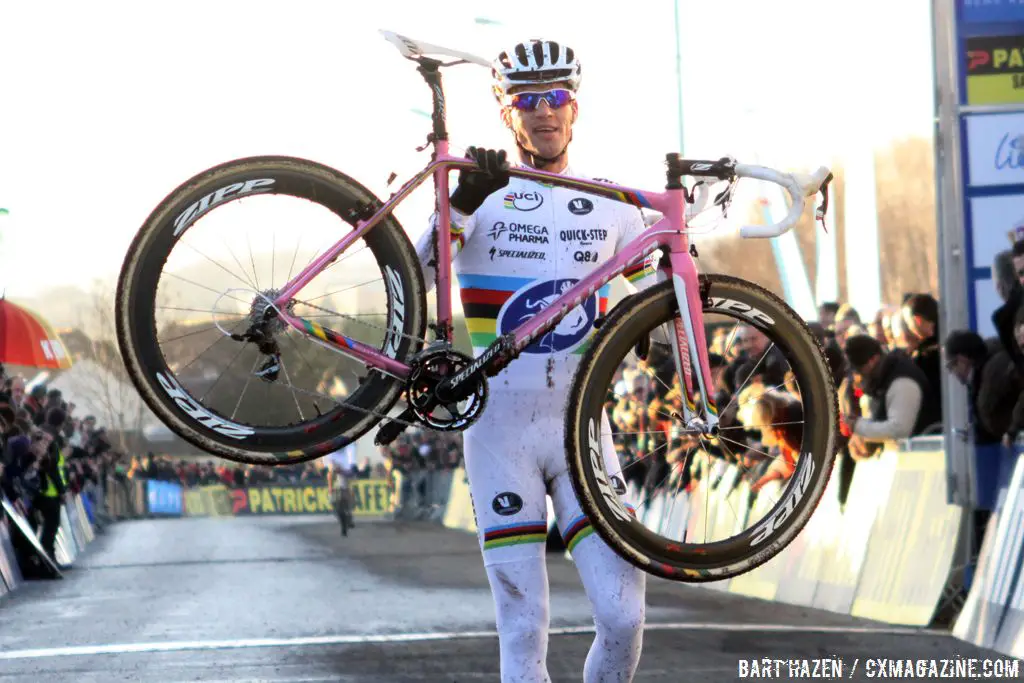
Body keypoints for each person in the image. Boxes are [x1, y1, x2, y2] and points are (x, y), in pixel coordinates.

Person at [414, 38, 658, 681]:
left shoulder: (610, 203)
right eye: (527, 100)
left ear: (574, 110)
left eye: (556, 98)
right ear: (506, 114)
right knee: (523, 629)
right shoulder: (480, 190)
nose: (543, 112)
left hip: (583, 430)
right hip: (500, 433)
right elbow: (414, 273)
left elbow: (665, 282)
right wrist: (463, 201)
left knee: (625, 616)